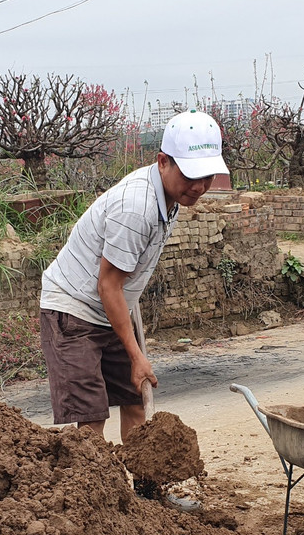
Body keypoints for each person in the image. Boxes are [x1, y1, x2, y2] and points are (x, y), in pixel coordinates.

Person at [39, 110, 228, 442]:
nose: (199, 187)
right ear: (163, 162)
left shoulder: (171, 197)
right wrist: (137, 354)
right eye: (190, 175)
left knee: (136, 398)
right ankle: (96, 477)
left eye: (207, 176)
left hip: (109, 308)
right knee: (91, 417)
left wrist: (133, 349)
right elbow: (108, 284)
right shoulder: (136, 208)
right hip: (73, 311)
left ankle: (140, 476)